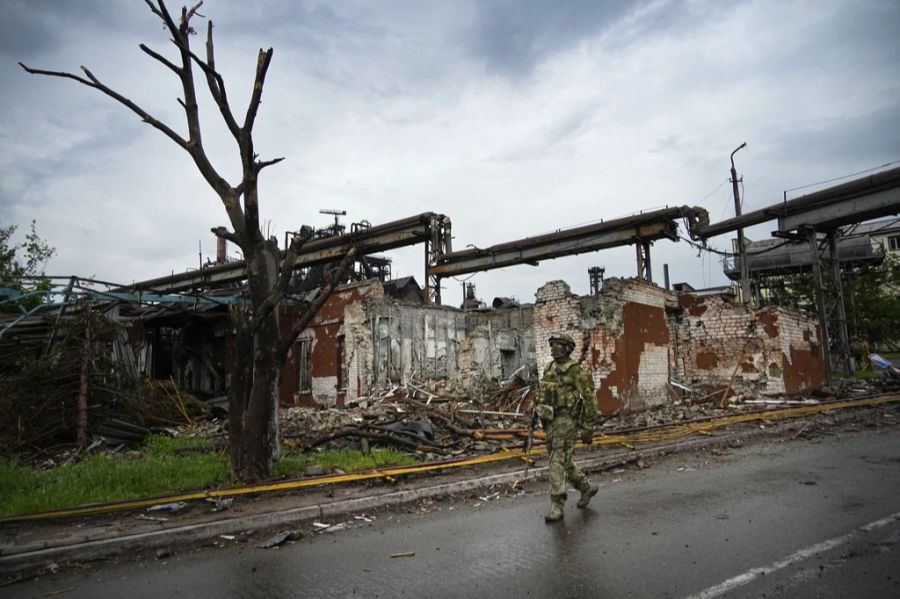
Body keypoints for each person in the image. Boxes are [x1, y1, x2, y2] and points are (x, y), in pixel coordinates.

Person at [534, 332, 599, 522]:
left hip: (567, 421)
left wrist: (588, 426)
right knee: (564, 461)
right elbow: (543, 392)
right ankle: (586, 487)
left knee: (556, 460)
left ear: (567, 348)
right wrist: (534, 408)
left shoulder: (575, 371)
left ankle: (557, 505)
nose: (554, 347)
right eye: (552, 344)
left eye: (558, 344)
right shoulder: (549, 367)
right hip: (550, 421)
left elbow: (590, 398)